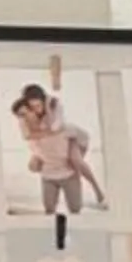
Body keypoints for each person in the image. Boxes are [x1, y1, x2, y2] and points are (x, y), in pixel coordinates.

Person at [12, 84, 106, 213]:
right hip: (52, 144)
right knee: (34, 165)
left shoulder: (54, 105)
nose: (37, 110)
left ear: (43, 101)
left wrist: (48, 108)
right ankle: (60, 181)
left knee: (75, 160)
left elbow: (56, 127)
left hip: (73, 136)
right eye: (33, 107)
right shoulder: (25, 113)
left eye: (39, 106)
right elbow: (27, 135)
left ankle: (98, 191)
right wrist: (45, 134)